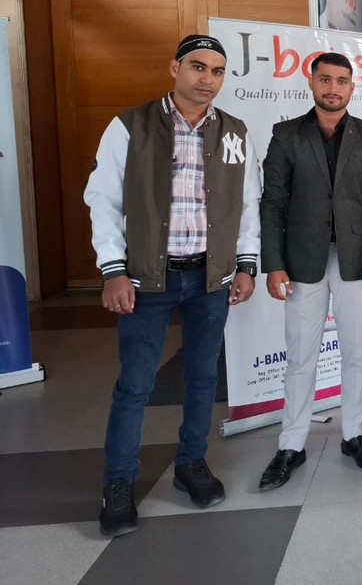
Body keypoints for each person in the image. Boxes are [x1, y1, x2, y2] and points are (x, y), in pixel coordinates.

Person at [85, 34, 261, 537]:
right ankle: (119, 483)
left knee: (202, 379)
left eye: (218, 71)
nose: (208, 79)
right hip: (148, 280)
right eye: (198, 67)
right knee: (136, 385)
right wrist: (113, 270)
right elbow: (103, 200)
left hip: (211, 277)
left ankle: (191, 464)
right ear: (175, 68)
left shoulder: (234, 130)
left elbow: (247, 203)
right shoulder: (130, 126)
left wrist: (246, 264)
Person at [257, 52, 362, 490]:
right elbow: (272, 203)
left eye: (341, 81)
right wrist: (273, 264)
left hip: (357, 260)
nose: (333, 88)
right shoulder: (286, 135)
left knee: (356, 351)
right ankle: (292, 443)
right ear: (312, 83)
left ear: (352, 87)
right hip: (302, 260)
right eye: (325, 80)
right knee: (301, 354)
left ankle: (354, 434)